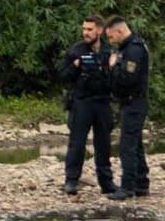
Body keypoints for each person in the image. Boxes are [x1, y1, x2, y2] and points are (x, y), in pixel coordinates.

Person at [55, 14, 116, 196]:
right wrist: (75, 66)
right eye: (84, 29)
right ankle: (71, 181)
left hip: (103, 102)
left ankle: (106, 183)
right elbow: (62, 75)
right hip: (82, 102)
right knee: (77, 143)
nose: (86, 33)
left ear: (99, 30)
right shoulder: (77, 50)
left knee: (103, 144)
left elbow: (118, 78)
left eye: (89, 29)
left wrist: (112, 67)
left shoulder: (109, 51)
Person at [103, 17, 151, 200]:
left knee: (127, 145)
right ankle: (141, 182)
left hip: (134, 102)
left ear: (120, 32)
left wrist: (113, 67)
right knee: (136, 143)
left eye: (111, 37)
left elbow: (128, 79)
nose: (110, 41)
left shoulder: (134, 50)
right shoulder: (126, 48)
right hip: (129, 102)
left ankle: (128, 187)